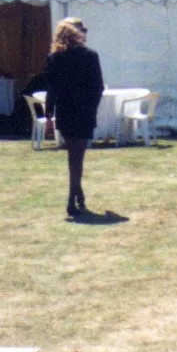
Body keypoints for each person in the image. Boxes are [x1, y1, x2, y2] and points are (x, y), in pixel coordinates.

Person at [44, 17, 105, 218]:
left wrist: (49, 113)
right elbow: (98, 88)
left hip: (66, 111)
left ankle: (77, 194)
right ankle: (73, 197)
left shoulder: (54, 58)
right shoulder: (90, 55)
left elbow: (51, 89)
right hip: (84, 111)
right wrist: (92, 109)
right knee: (77, 157)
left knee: (73, 156)